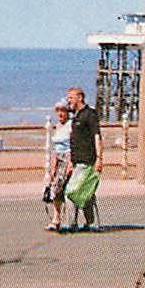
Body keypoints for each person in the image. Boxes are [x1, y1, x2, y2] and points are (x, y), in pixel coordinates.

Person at [64, 85, 102, 230]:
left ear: (80, 98)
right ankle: (90, 222)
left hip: (87, 160)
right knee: (85, 192)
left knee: (71, 192)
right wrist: (70, 161)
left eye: (71, 98)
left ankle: (72, 224)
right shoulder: (76, 116)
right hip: (76, 160)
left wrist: (99, 158)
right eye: (68, 98)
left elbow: (96, 136)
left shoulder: (89, 114)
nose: (69, 101)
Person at [43, 103, 74, 231]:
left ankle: (63, 219)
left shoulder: (70, 125)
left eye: (63, 111)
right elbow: (55, 148)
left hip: (67, 157)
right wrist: (52, 165)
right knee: (54, 187)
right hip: (58, 158)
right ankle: (56, 219)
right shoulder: (58, 126)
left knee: (58, 187)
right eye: (58, 111)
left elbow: (73, 144)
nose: (60, 114)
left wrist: (71, 162)